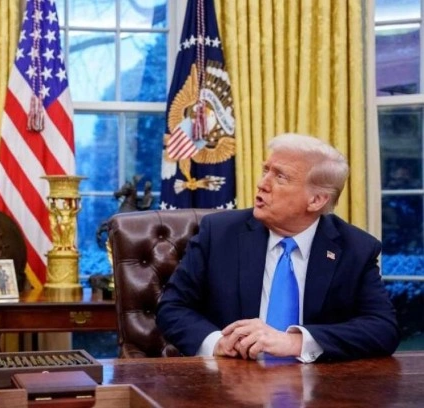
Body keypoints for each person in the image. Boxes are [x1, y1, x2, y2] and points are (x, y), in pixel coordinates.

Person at [157, 133, 400, 362]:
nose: (262, 184)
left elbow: (383, 329)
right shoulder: (219, 234)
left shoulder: (355, 249)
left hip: (317, 384)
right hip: (232, 379)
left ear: (316, 200)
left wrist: (295, 342)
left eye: (280, 177)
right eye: (266, 170)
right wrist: (217, 343)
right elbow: (172, 307)